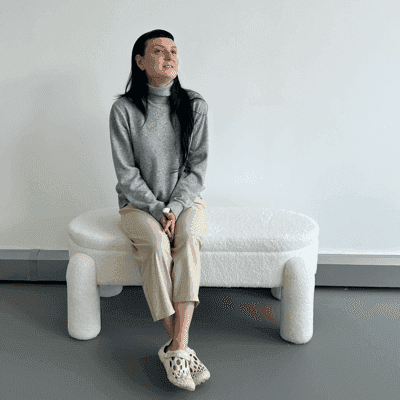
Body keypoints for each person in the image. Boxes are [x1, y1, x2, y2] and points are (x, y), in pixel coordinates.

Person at [109, 29, 210, 391]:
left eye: (174, 51)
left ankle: (176, 347)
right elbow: (126, 174)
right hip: (138, 205)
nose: (170, 57)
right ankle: (180, 348)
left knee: (190, 239)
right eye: (159, 51)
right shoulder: (123, 110)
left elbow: (197, 169)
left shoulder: (195, 105)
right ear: (140, 61)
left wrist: (175, 207)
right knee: (155, 245)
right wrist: (156, 209)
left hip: (186, 202)